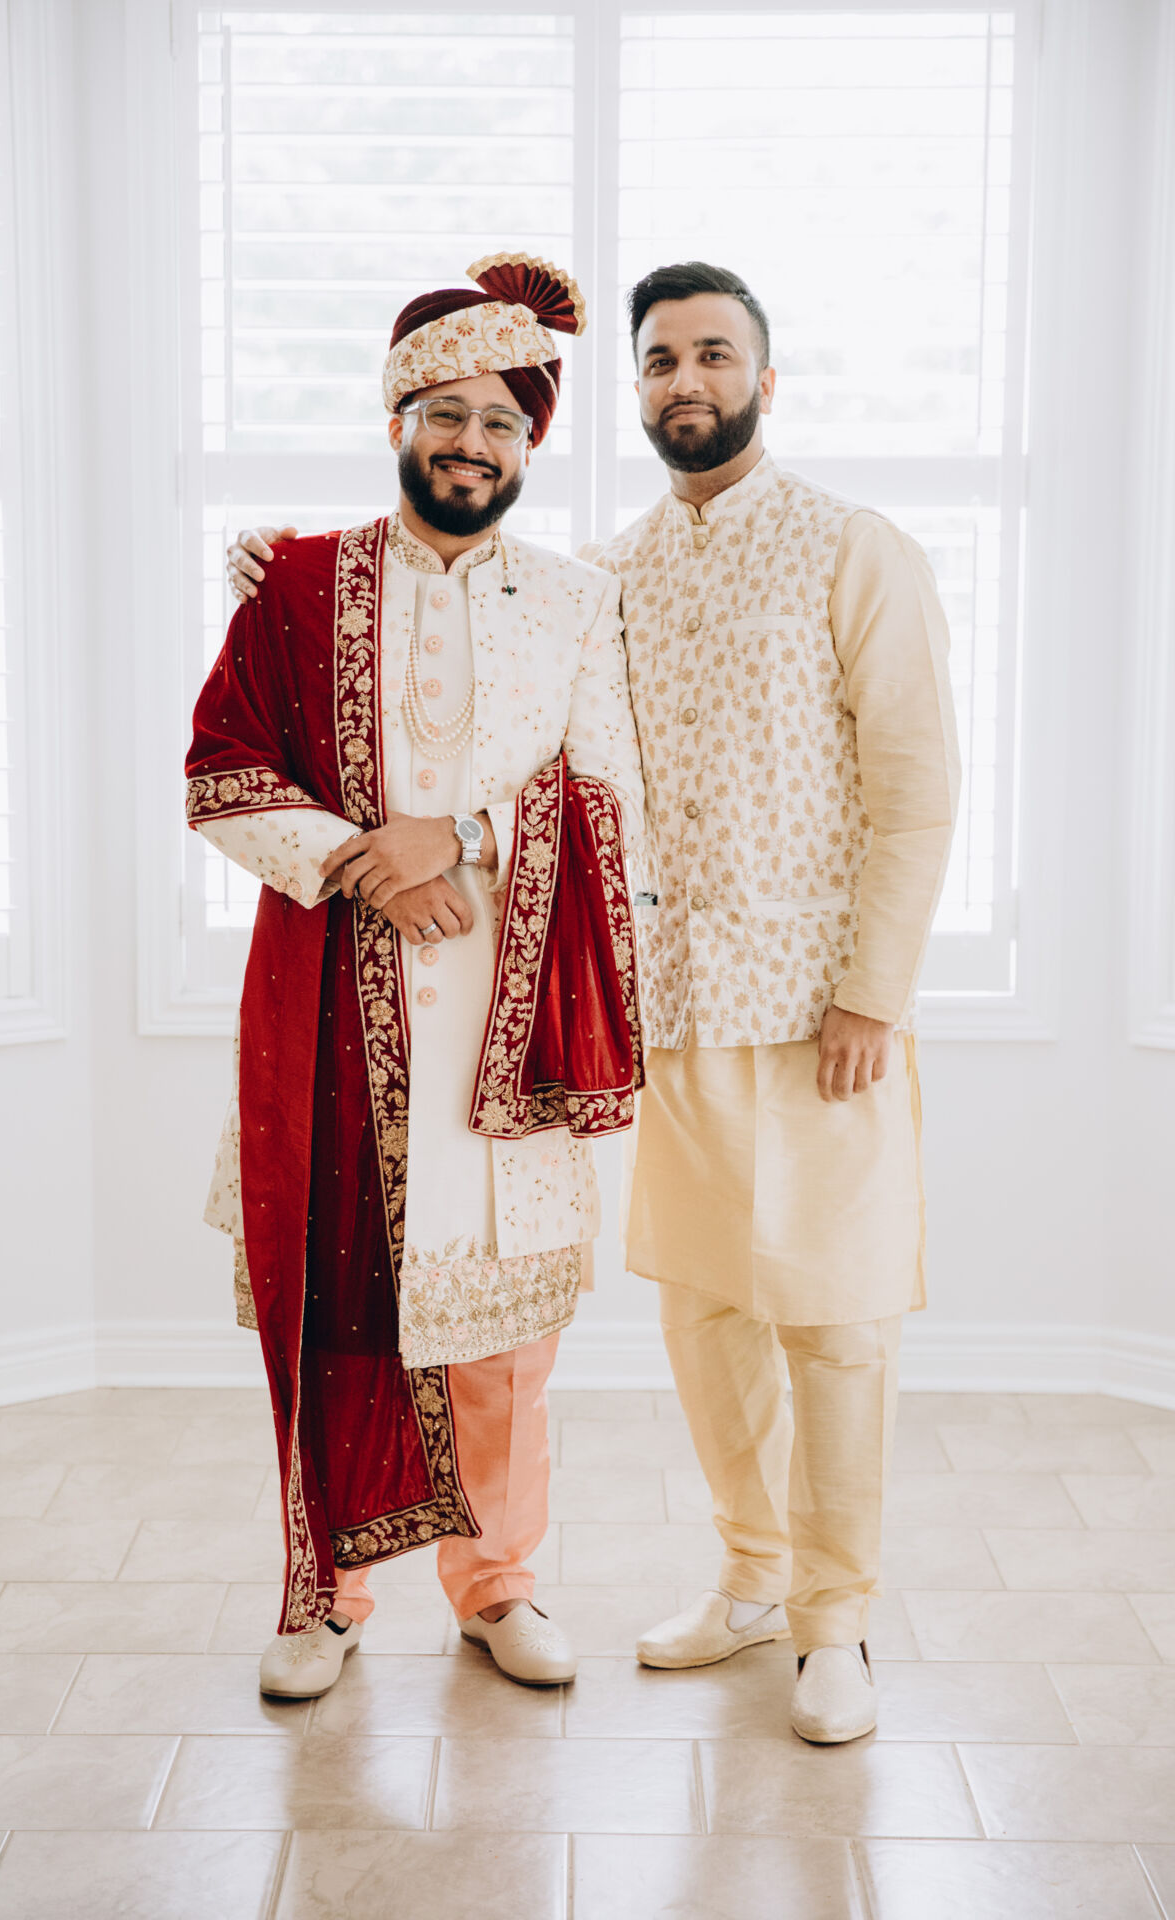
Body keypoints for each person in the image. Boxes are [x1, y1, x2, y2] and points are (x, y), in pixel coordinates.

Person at [225, 259, 960, 1745]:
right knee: (705, 1319)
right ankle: (748, 1581)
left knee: (834, 1323)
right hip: (659, 1018)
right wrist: (266, 569)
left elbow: (915, 788)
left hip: (815, 1015)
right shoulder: (613, 574)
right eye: (662, 360)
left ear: (765, 377)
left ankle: (833, 1622)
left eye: (714, 355)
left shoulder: (852, 550)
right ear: (633, 390)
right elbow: (380, 701)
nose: (688, 381)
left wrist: (874, 993)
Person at [187, 253, 645, 1702]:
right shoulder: (299, 579)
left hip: (509, 1019)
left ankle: (499, 1584)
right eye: (445, 412)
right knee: (342, 1310)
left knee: (505, 1336)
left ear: (530, 446)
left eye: (501, 421)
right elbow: (219, 771)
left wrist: (456, 835)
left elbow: (610, 794)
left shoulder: (577, 600)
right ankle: (325, 1595)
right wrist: (357, 858)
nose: (471, 442)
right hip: (337, 1003)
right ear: (398, 422)